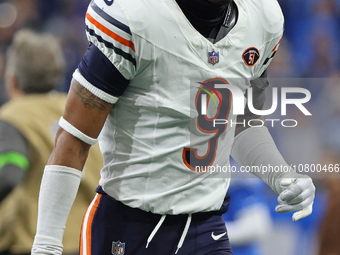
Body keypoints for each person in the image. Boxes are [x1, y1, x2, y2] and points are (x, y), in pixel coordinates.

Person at [31, 0, 316, 254]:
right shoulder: (136, 15)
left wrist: (282, 175)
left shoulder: (261, 18)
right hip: (127, 226)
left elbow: (241, 123)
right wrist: (46, 244)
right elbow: (74, 139)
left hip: (206, 229)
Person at [0, 29, 102, 255]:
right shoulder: (81, 109)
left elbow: (9, 172)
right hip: (86, 239)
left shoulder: (12, 117)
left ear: (13, 77)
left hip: (37, 242)